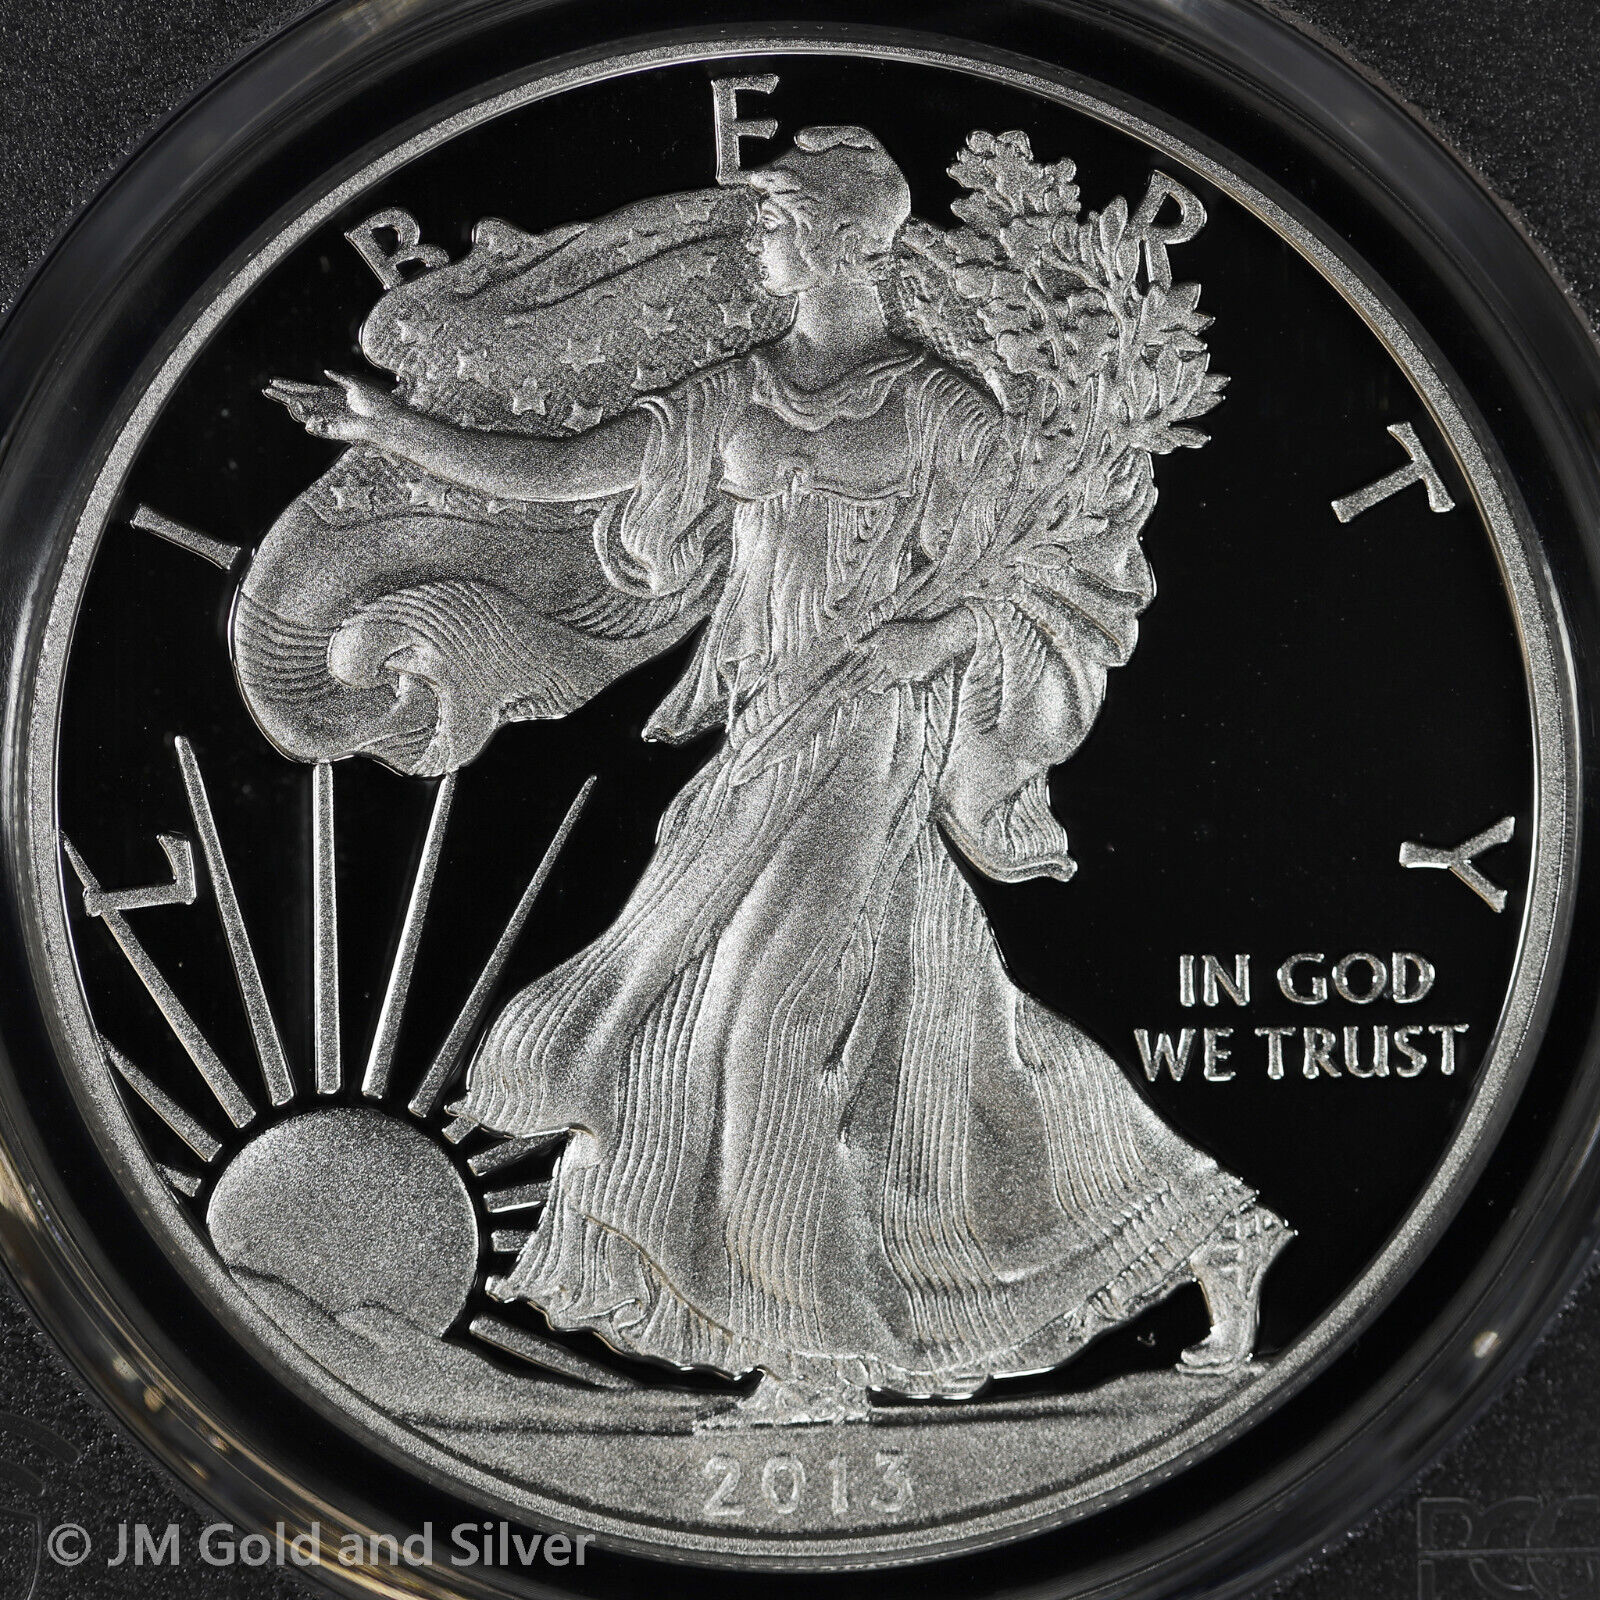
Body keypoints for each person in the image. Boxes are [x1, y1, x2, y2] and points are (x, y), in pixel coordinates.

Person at [271, 126, 1289, 1424]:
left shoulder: (942, 409)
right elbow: (564, 475)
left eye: (778, 222)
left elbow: (1040, 567)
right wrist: (394, 428)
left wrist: (939, 630)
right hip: (767, 732)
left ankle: (813, 1350)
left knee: (761, 1019)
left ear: (847, 241)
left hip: (874, 727)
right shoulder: (736, 394)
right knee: (943, 1031)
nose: (756, 241)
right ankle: (1204, 1226)